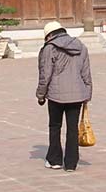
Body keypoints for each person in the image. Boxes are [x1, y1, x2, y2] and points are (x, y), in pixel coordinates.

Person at [36, 21, 92, 172]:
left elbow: (45, 75)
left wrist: (40, 95)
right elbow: (86, 73)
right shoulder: (81, 46)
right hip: (77, 94)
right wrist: (87, 93)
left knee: (55, 126)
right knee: (72, 128)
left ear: (48, 35)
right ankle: (71, 163)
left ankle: (55, 160)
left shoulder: (49, 48)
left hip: (55, 95)